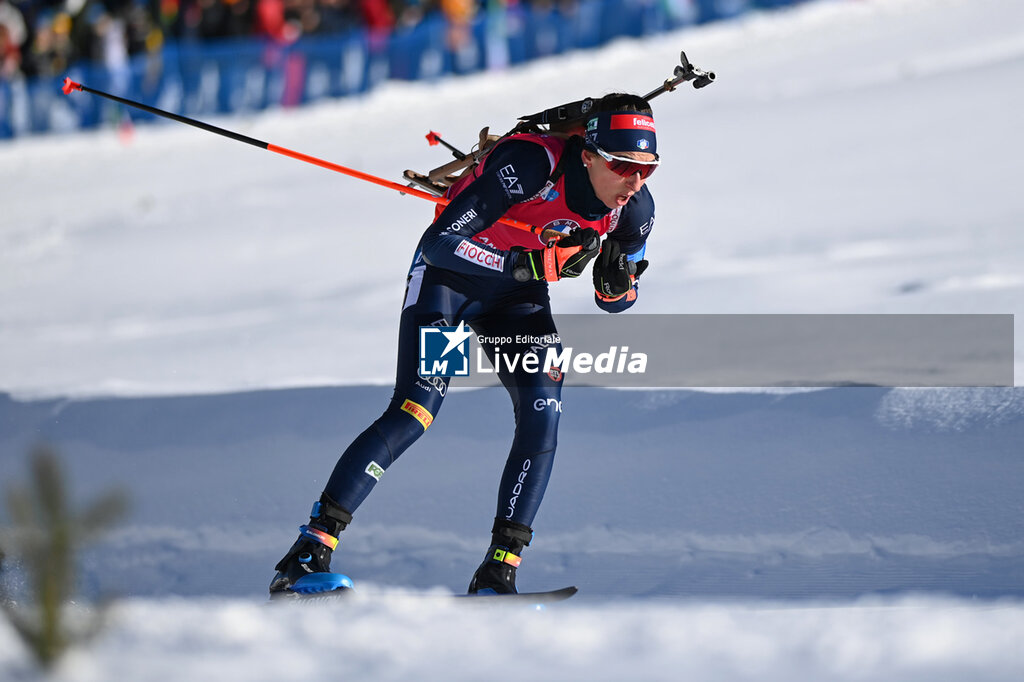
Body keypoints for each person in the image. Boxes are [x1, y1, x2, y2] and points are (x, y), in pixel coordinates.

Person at [270, 92, 658, 596]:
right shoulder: (531, 163)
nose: (634, 181)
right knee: (418, 409)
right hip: (449, 285)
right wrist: (526, 265)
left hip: (515, 301)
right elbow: (441, 244)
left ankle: (499, 571)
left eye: (647, 170)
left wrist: (615, 285)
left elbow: (620, 299)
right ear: (587, 153)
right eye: (622, 165)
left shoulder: (635, 210)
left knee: (544, 406)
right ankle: (307, 553)